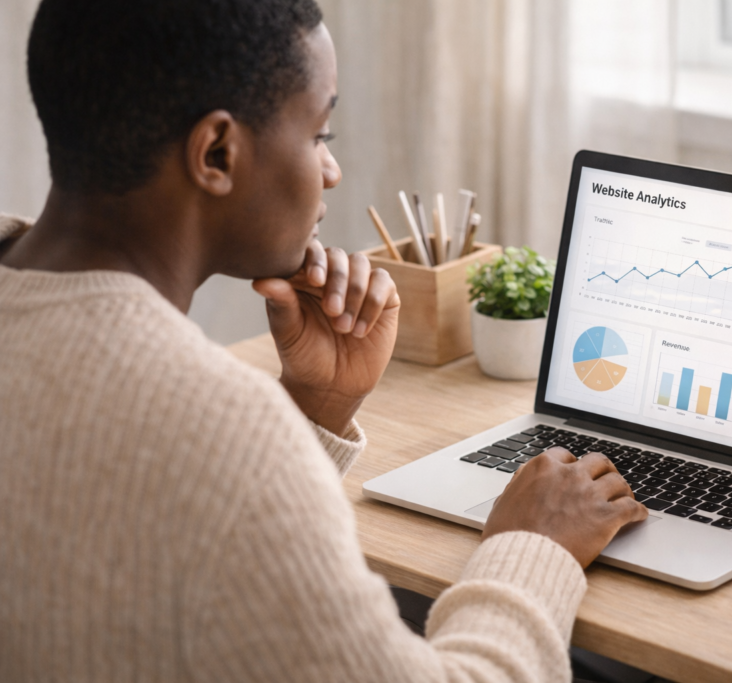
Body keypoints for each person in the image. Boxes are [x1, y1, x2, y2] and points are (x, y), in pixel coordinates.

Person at [0, 0, 647, 680]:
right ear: (216, 152)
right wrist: (531, 543)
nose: (331, 172)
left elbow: (141, 549)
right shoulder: (225, 435)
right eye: (321, 135)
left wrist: (312, 410)